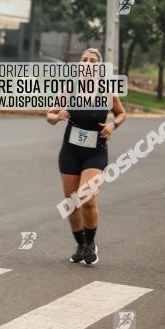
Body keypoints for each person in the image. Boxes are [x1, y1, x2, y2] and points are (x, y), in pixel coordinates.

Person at [46, 48, 125, 265]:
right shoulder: (69, 89)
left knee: (87, 199)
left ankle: (91, 243)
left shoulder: (106, 90)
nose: (88, 63)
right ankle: (80, 245)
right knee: (71, 202)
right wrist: (58, 115)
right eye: (84, 60)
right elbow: (49, 116)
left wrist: (113, 125)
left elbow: (121, 113)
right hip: (70, 151)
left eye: (93, 61)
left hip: (95, 151)